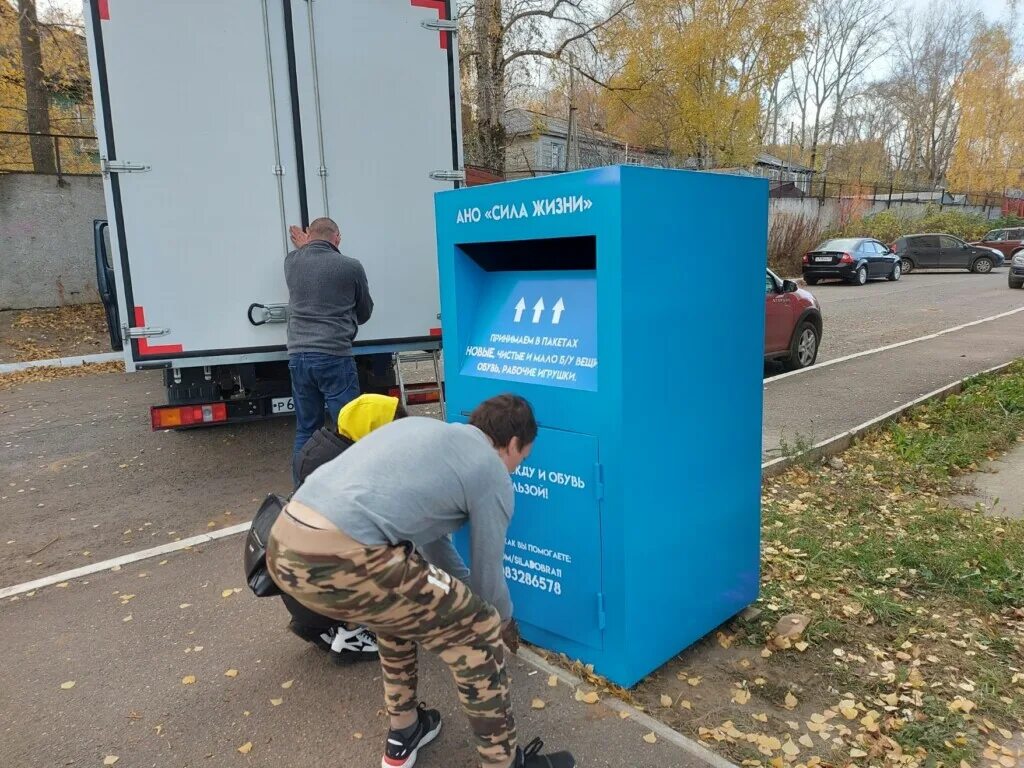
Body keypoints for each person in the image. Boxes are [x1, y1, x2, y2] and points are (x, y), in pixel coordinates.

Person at [267, 395, 575, 768]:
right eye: (521, 459)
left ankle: (406, 729)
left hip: (283, 542)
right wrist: (502, 620)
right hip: (342, 555)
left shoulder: (425, 432)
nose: (515, 468)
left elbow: (434, 548)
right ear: (512, 444)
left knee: (398, 608)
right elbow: (488, 573)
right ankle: (504, 762)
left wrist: (462, 598)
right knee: (478, 629)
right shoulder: (491, 471)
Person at [283, 393, 407, 661]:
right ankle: (352, 634)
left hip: (294, 584)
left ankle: (319, 624)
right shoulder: (357, 479)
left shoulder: (321, 454)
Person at [285, 217, 373, 485]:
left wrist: (305, 246)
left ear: (309, 235)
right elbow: (365, 312)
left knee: (306, 429)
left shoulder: (291, 262)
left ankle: (300, 491)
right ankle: (352, 488)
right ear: (338, 238)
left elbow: (308, 257)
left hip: (298, 357)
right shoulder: (351, 266)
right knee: (349, 427)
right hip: (334, 355)